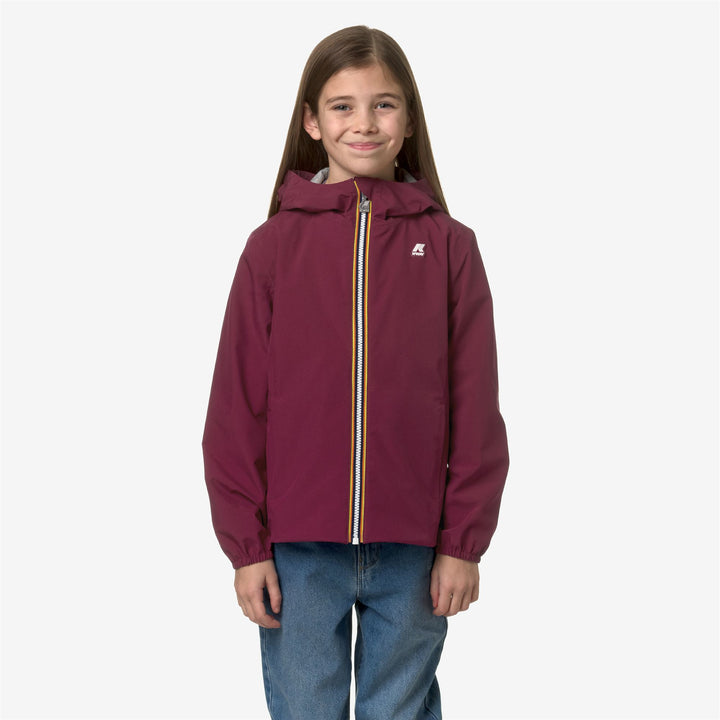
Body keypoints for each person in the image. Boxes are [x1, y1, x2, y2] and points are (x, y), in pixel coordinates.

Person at [201, 25, 510, 720]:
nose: (364, 123)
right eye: (342, 106)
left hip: (415, 549)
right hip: (297, 550)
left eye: (384, 104)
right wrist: (246, 547)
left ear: (409, 120)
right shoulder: (272, 248)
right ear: (312, 122)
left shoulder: (451, 247)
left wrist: (463, 543)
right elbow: (236, 407)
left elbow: (475, 406)